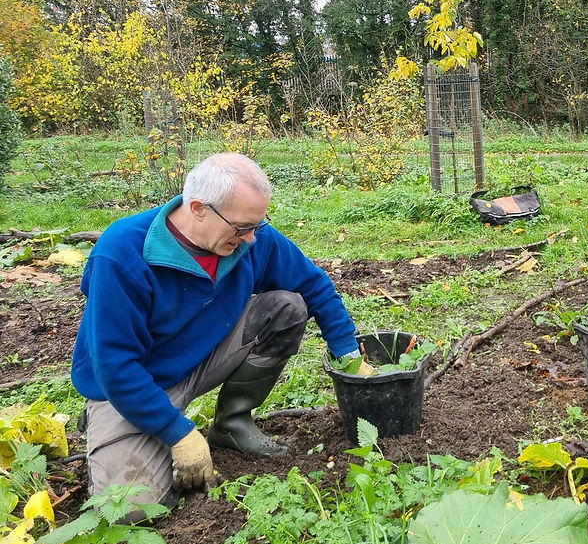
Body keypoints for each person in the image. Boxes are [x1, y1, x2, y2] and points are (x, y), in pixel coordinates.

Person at [71, 152, 372, 510]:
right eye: (241, 227)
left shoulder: (251, 238)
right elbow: (115, 365)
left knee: (286, 307)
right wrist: (179, 433)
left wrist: (351, 357)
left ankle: (231, 425)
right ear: (197, 207)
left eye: (257, 226)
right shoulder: (123, 252)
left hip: (201, 357)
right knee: (130, 509)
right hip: (131, 383)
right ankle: (120, 427)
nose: (249, 239)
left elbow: (314, 286)